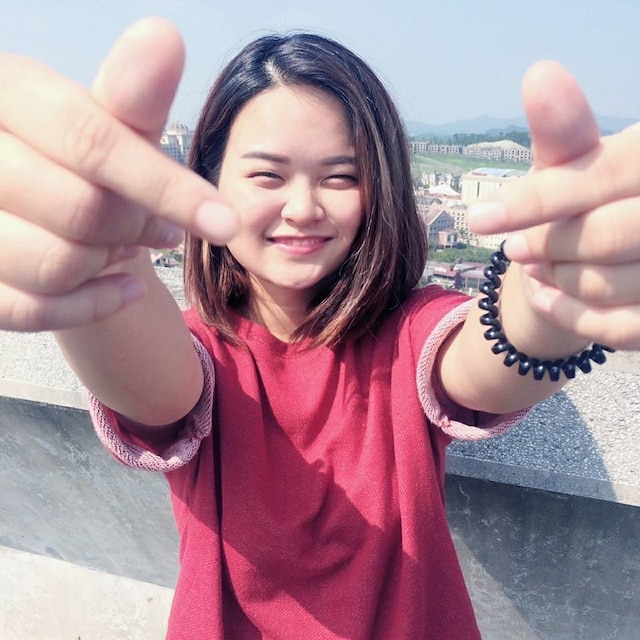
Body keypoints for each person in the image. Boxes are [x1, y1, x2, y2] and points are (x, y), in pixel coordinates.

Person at [1, 16, 639, 639]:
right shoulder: (200, 354)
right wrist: (94, 253)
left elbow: (490, 353)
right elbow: (148, 377)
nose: (303, 208)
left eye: (340, 177)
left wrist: (555, 286)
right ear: (208, 183)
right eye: (267, 175)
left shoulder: (410, 335)